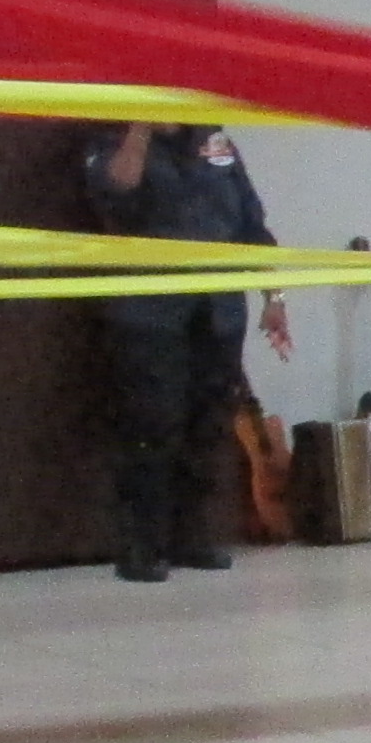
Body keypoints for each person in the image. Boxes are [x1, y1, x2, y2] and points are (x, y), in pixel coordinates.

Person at [84, 119, 289, 576]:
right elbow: (115, 193)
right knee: (151, 427)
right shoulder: (113, 139)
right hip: (150, 313)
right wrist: (140, 128)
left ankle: (192, 536)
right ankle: (142, 545)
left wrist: (274, 297)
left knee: (209, 425)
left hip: (217, 313)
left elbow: (251, 226)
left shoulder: (215, 141)